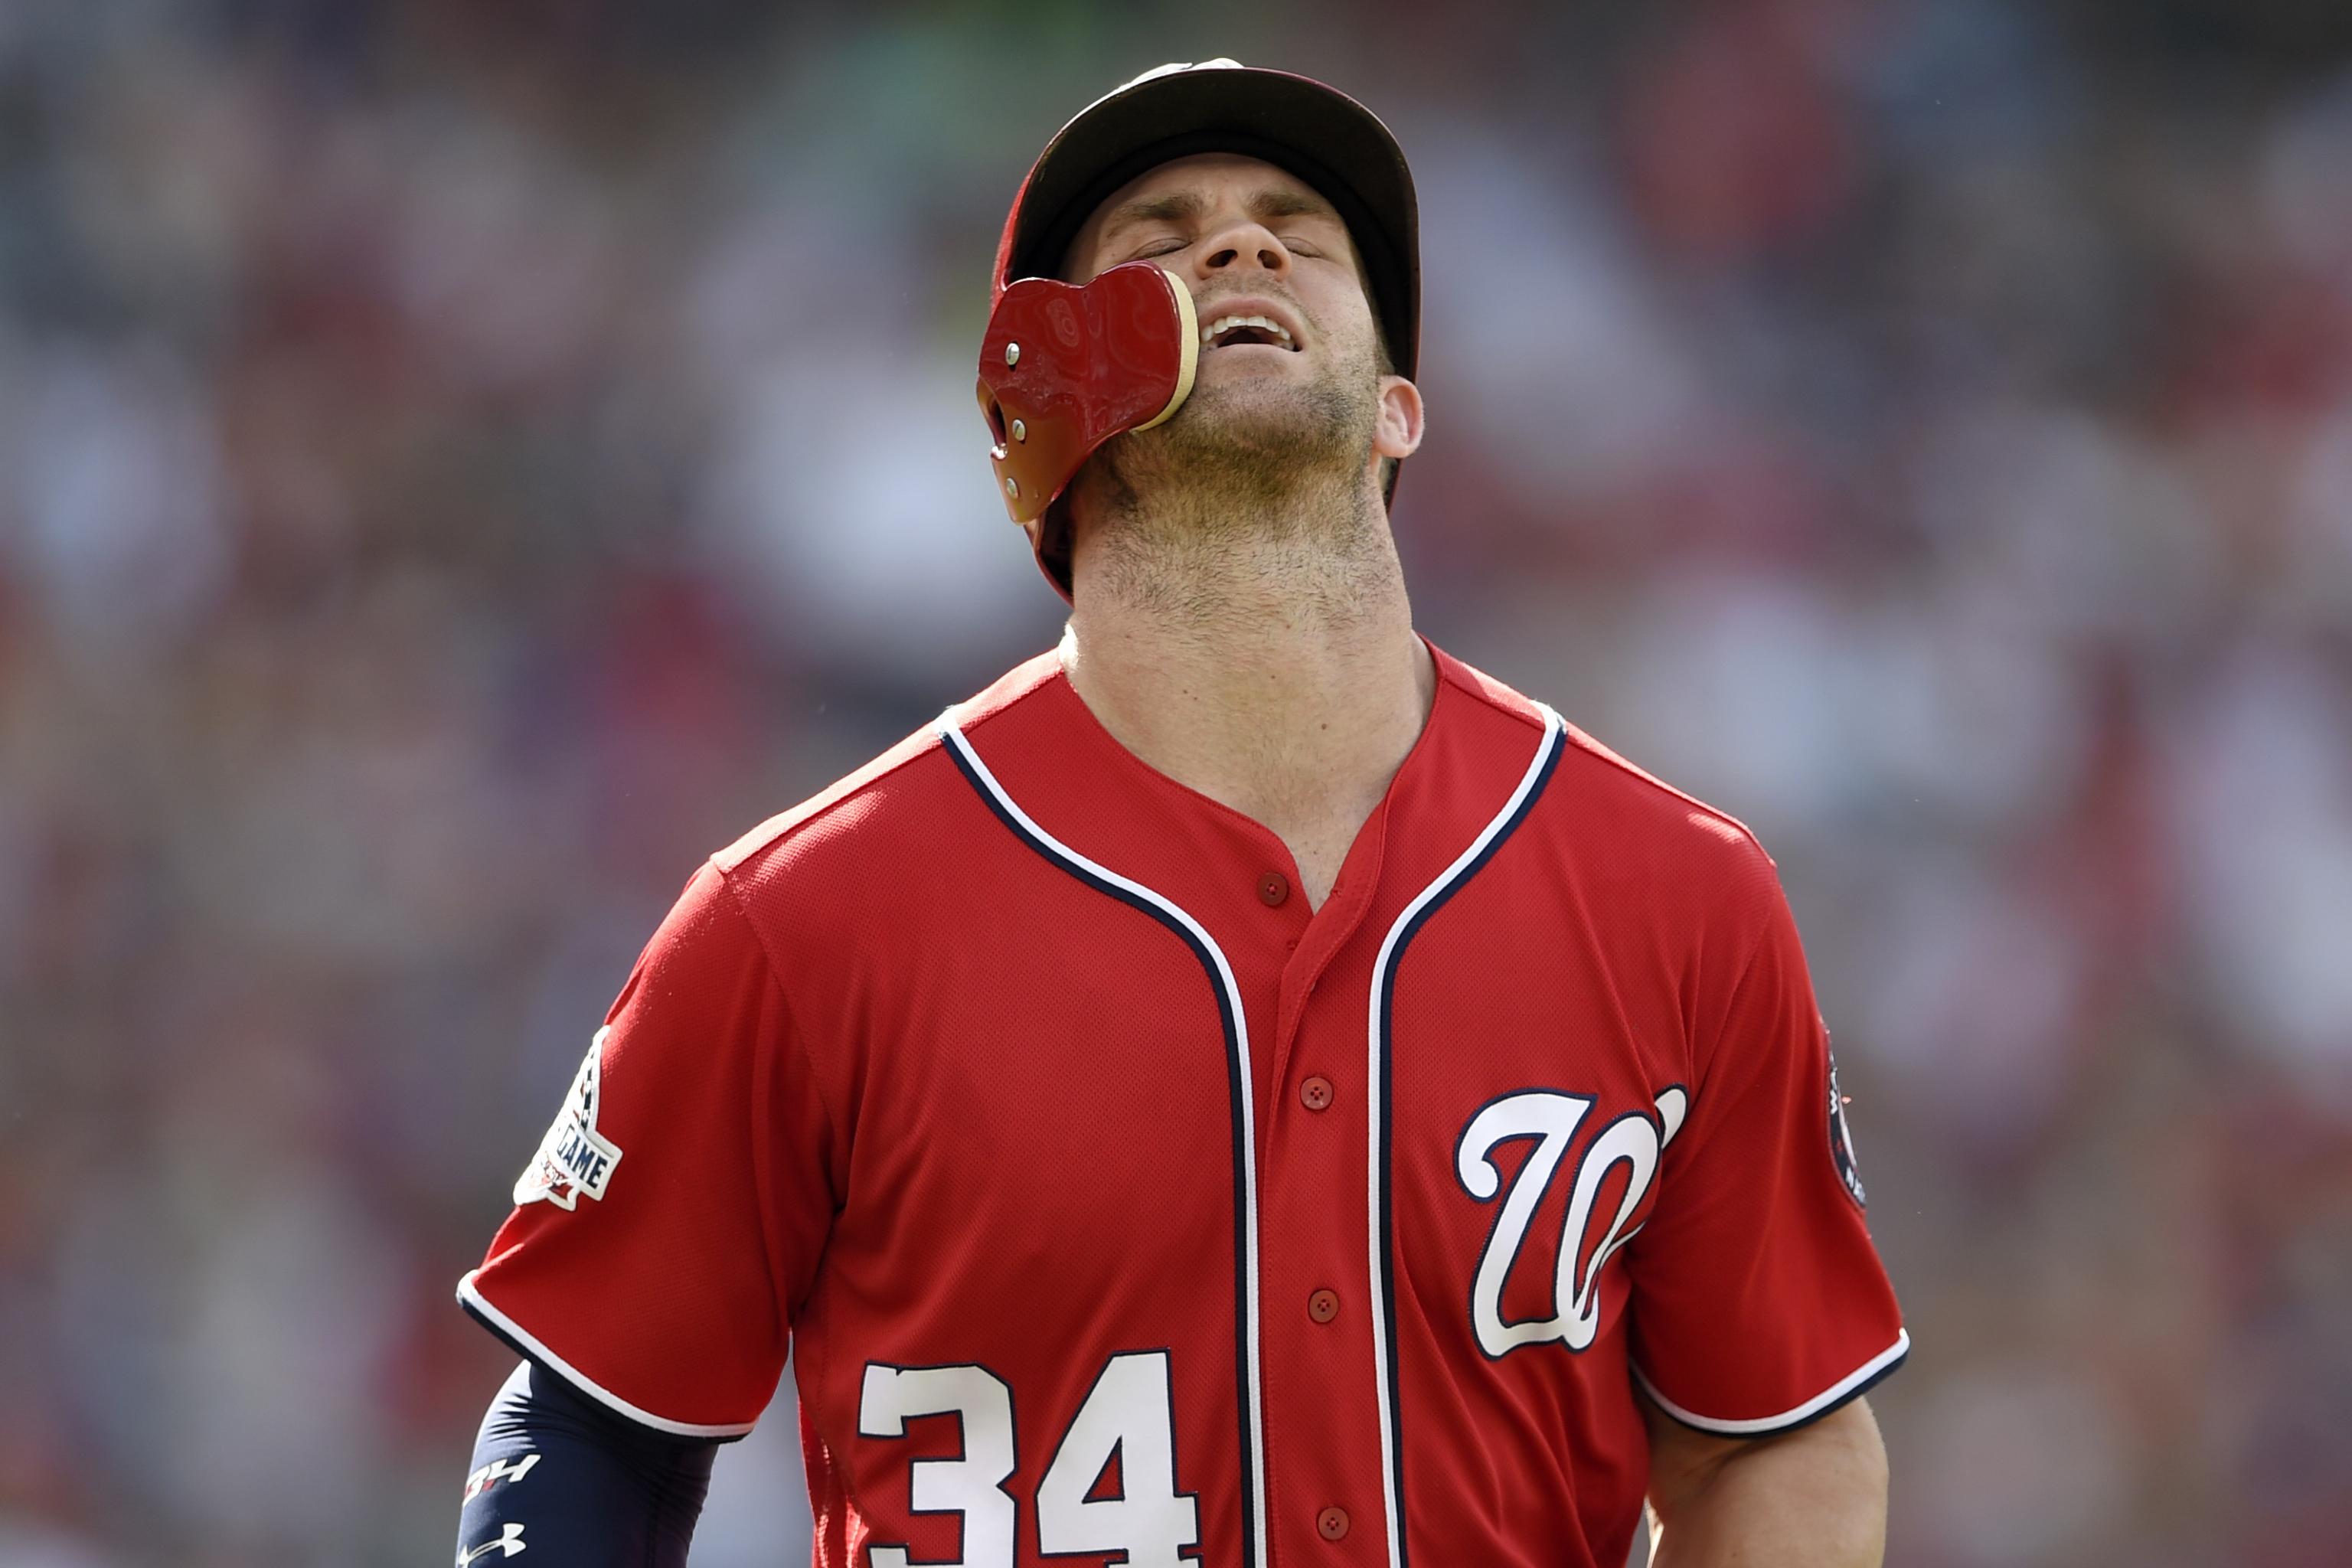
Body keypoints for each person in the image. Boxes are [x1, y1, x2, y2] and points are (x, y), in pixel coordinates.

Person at [452, 60, 1906, 1568]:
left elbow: (1772, 1442)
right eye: (1162, 237)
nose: (1246, 247)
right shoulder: (803, 918)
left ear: (1399, 405)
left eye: (1301, 231)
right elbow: (587, 1436)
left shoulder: (1679, 894)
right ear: (1044, 393)